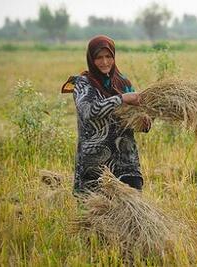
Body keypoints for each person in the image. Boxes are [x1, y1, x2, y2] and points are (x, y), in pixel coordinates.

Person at [61, 35, 150, 193]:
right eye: (99, 58)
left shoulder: (123, 83)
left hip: (126, 163)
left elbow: (133, 120)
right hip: (94, 165)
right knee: (94, 214)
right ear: (91, 59)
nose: (105, 62)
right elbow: (89, 111)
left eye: (108, 56)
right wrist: (121, 98)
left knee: (132, 214)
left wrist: (143, 122)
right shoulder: (83, 84)